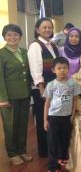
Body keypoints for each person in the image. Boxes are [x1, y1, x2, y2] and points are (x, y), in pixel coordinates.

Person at [0, 24, 32, 165]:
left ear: (20, 36)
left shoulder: (24, 52)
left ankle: (22, 150)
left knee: (22, 124)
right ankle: (12, 153)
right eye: (9, 35)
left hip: (24, 94)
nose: (12, 37)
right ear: (4, 37)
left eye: (15, 35)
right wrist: (2, 98)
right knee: (10, 125)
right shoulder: (1, 54)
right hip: (9, 97)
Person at [28, 17, 59, 158]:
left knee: (52, 118)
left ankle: (53, 147)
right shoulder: (35, 46)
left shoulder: (51, 45)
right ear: (37, 29)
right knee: (43, 119)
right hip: (42, 88)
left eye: (49, 27)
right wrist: (41, 88)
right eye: (44, 27)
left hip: (53, 87)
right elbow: (36, 69)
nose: (47, 29)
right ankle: (44, 151)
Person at [43, 57, 80, 172]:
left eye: (64, 68)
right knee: (52, 141)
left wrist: (73, 114)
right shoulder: (51, 85)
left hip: (67, 117)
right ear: (54, 70)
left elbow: (75, 100)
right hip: (53, 117)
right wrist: (45, 120)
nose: (62, 70)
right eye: (59, 68)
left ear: (68, 69)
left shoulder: (73, 83)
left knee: (65, 139)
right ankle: (53, 166)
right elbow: (47, 103)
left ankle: (63, 158)